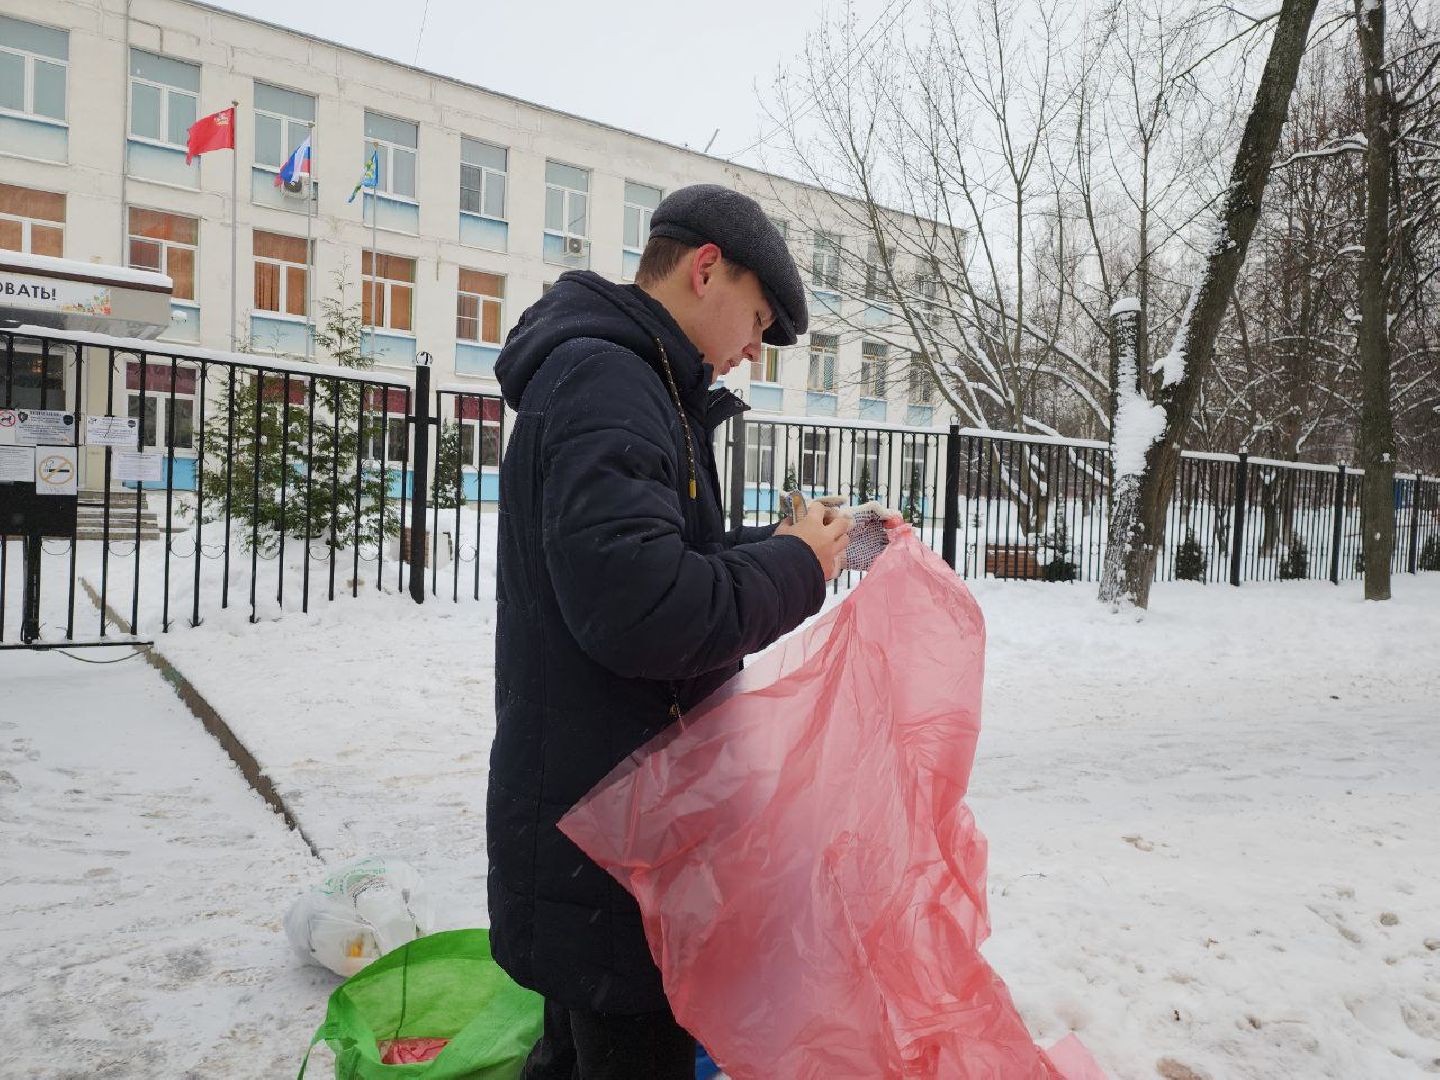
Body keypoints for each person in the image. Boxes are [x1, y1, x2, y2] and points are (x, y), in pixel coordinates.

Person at [487, 184, 852, 1080]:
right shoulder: (611, 383)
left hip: (608, 820)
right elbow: (643, 612)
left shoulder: (635, 380)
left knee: (573, 1056)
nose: (754, 351)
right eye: (758, 320)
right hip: (614, 838)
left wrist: (802, 547)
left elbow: (660, 559)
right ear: (705, 269)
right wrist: (795, 569)